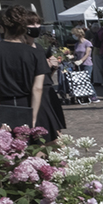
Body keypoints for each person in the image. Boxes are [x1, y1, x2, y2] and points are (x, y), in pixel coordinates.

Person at [0, 6, 45, 133]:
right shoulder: (36, 53)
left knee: (2, 149)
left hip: (0, 103)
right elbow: (37, 88)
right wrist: (33, 118)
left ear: (2, 28)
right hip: (27, 104)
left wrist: (0, 115)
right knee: (29, 149)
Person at [26, 13, 66, 141]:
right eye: (32, 24)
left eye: (38, 23)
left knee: (56, 130)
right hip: (38, 93)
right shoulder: (23, 49)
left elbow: (46, 76)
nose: (36, 26)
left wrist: (52, 68)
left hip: (48, 91)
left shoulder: (39, 47)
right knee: (48, 133)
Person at [70, 26, 100, 103]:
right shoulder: (76, 44)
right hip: (79, 64)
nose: (73, 36)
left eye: (74, 34)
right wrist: (71, 56)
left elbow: (87, 54)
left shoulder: (87, 43)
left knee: (87, 80)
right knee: (81, 80)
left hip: (87, 64)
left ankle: (93, 95)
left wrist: (81, 60)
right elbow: (75, 54)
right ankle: (85, 96)